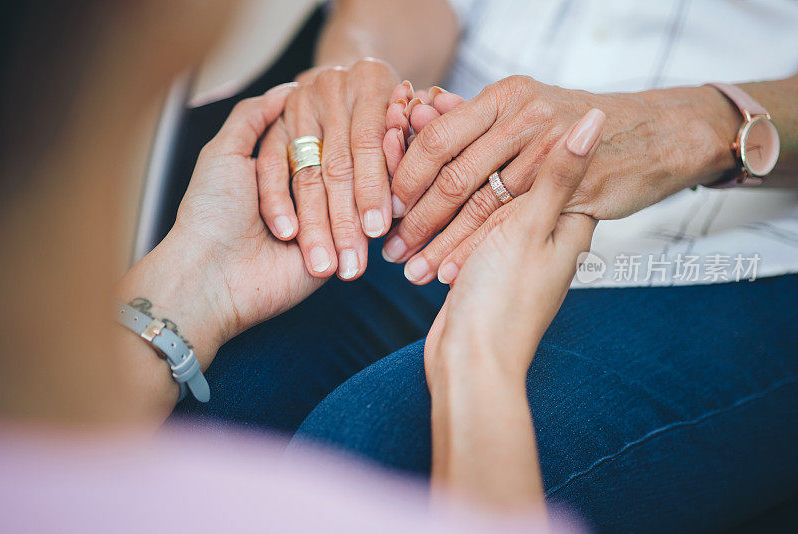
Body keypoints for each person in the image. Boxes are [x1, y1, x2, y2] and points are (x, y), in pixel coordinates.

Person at [174, 1, 798, 531]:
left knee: (372, 455)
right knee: (218, 409)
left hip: (739, 248)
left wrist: (688, 129)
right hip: (433, 173)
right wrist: (352, 89)